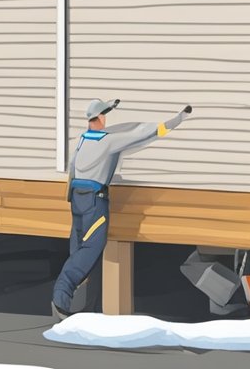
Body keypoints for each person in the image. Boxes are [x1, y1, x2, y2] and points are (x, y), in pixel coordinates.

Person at [51, 99, 193, 321]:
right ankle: (61, 300)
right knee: (90, 249)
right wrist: (175, 121)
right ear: (101, 118)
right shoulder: (109, 141)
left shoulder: (82, 139)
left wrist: (70, 197)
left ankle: (86, 307)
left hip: (77, 200)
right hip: (94, 202)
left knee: (79, 250)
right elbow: (141, 133)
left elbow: (72, 168)